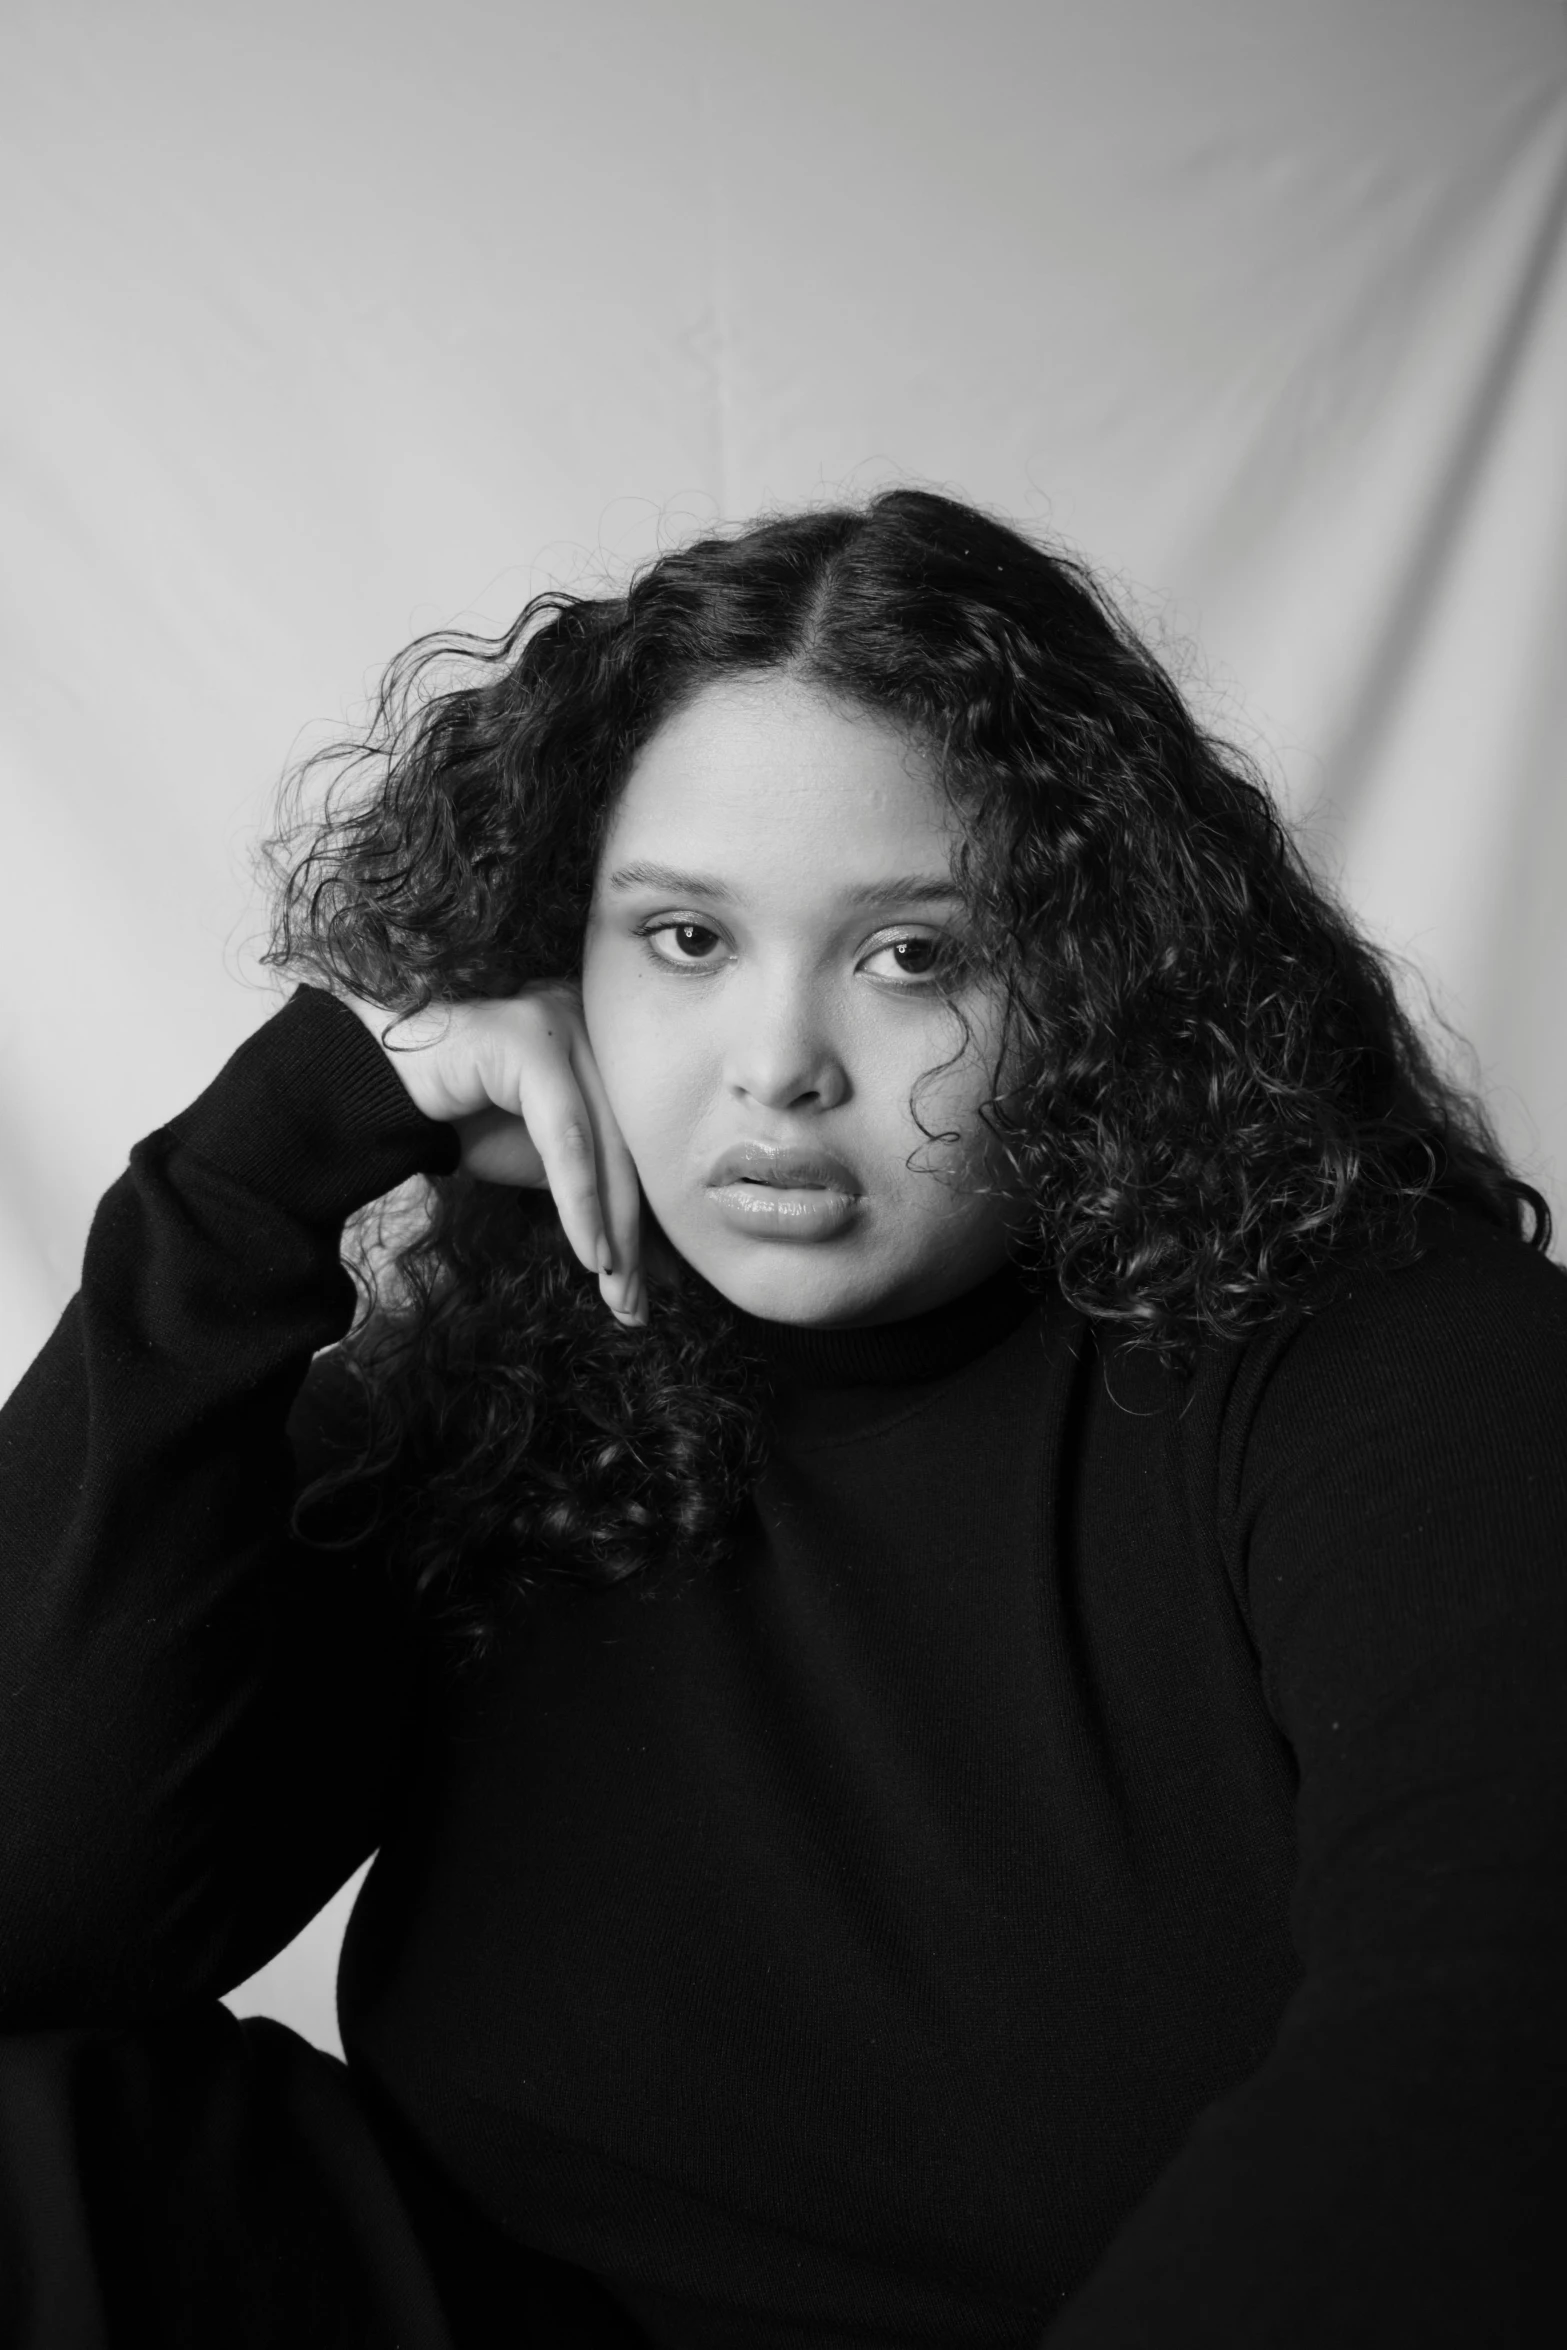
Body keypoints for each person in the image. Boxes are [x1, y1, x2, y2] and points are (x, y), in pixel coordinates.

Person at [0, 488, 1562, 2349]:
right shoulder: (522, 1371)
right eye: (681, 939)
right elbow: (38, 1925)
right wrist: (261, 1174)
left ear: (1104, 975)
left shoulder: (1392, 1356)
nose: (774, 1064)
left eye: (911, 954)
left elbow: (1490, 2037)